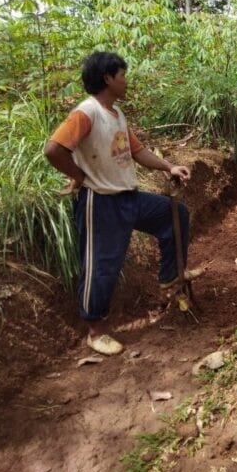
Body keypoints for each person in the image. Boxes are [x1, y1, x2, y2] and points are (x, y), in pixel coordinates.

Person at [43, 52, 192, 356]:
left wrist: (169, 167)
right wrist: (80, 176)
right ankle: (95, 331)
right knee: (101, 265)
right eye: (122, 75)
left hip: (128, 196)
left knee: (174, 214)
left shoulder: (116, 114)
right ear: (108, 78)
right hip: (100, 202)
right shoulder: (87, 112)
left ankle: (169, 276)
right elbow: (53, 149)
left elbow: (137, 151)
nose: (126, 80)